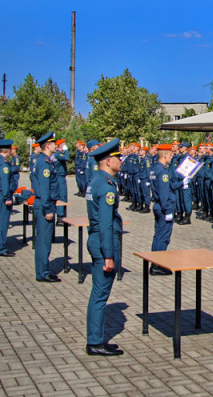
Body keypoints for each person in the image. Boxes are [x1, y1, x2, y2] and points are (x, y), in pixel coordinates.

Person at [85, 138, 125, 356]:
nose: (121, 160)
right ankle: (95, 342)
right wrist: (109, 255)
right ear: (108, 161)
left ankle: (96, 338)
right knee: (100, 295)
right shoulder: (106, 185)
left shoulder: (96, 180)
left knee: (97, 294)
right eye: (118, 157)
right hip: (104, 242)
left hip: (96, 239)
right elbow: (106, 223)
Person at [32, 132, 61, 282]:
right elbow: (44, 188)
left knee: (43, 239)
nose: (57, 146)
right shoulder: (44, 163)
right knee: (44, 241)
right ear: (48, 146)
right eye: (54, 143)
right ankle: (42, 273)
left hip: (46, 203)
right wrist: (47, 208)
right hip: (45, 204)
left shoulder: (45, 161)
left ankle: (43, 269)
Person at [149, 144, 182, 275]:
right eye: (170, 154)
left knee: (157, 236)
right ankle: (158, 265)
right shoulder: (162, 171)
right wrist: (168, 210)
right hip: (164, 207)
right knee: (163, 237)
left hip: (158, 206)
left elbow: (168, 186)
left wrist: (181, 183)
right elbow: (163, 194)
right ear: (165, 155)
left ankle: (154, 262)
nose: (172, 156)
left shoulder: (155, 168)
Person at [53, 139, 69, 225]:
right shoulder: (58, 154)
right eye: (63, 144)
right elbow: (66, 158)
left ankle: (61, 216)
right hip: (60, 177)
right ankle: (60, 217)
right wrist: (66, 150)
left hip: (59, 177)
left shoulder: (56, 154)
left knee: (61, 196)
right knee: (62, 196)